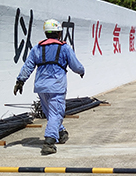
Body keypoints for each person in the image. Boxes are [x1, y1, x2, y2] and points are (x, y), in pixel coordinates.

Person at [14, 19, 85, 155]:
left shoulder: (37, 48)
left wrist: (20, 81)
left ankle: (61, 132)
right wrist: (81, 71)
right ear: (59, 33)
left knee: (50, 113)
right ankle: (49, 143)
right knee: (56, 114)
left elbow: (28, 65)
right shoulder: (64, 47)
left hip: (41, 87)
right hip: (56, 86)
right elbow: (75, 65)